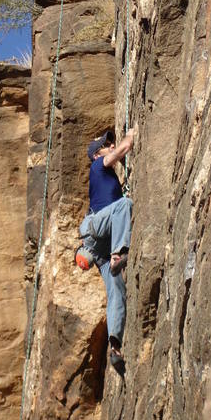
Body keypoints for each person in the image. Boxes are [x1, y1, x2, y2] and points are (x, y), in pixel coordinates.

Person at [78, 128, 135, 373]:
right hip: (95, 229)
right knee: (125, 205)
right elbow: (123, 150)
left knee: (116, 291)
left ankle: (115, 345)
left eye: (111, 142)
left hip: (96, 244)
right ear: (96, 154)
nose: (111, 146)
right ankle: (118, 254)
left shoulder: (108, 178)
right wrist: (131, 135)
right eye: (106, 144)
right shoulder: (98, 165)